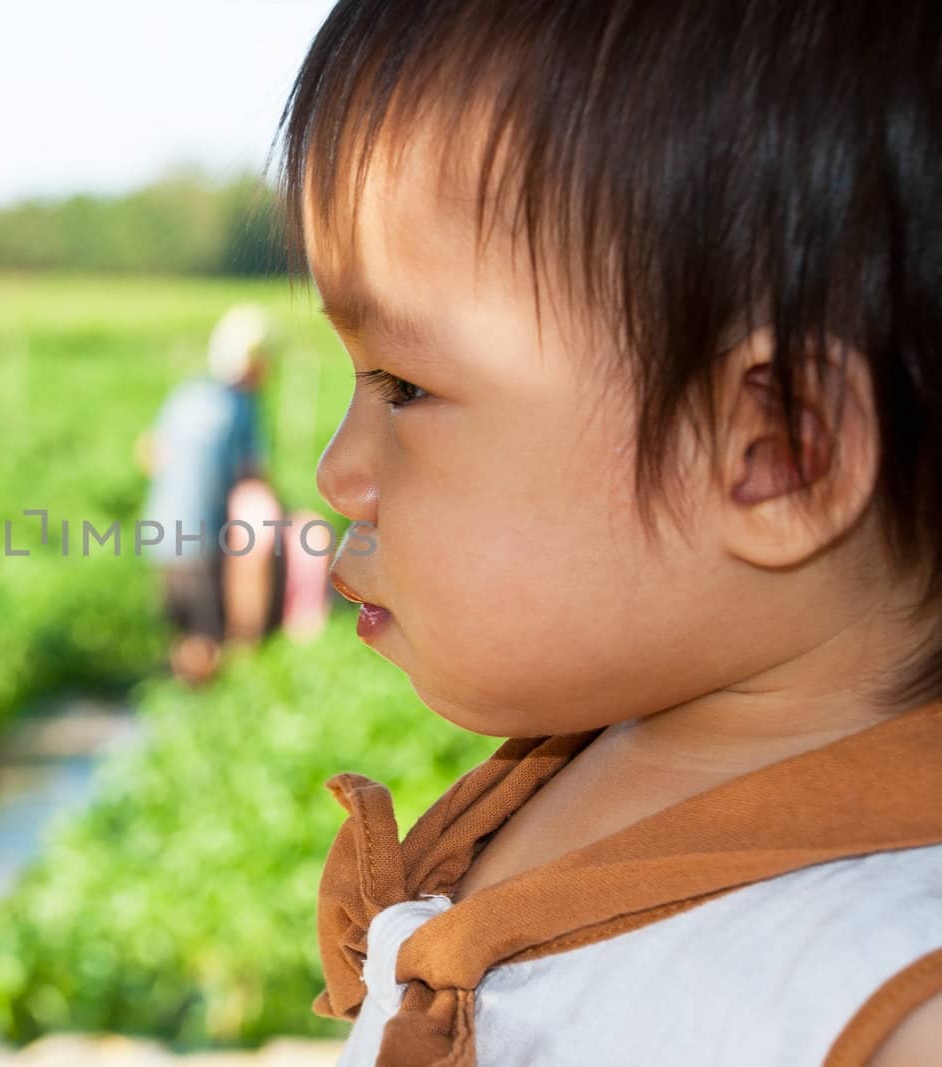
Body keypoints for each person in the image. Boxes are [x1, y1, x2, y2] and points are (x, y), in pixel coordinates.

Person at [276, 1, 942, 1063]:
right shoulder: (587, 759)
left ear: (774, 458)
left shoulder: (879, 995)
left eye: (403, 383)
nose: (337, 472)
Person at [136, 305, 326, 685]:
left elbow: (149, 452)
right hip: (204, 540)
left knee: (184, 633)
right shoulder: (242, 406)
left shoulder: (186, 394)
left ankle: (172, 706)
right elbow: (253, 478)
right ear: (254, 363)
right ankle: (200, 710)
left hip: (161, 535)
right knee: (207, 643)